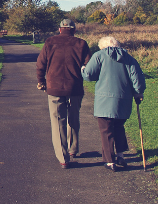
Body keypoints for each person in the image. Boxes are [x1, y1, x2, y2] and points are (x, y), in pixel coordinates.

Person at [81, 36, 146, 172]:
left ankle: (109, 161)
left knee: (106, 130)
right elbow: (137, 78)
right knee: (119, 127)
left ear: (102, 46)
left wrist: (82, 69)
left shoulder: (99, 56)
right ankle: (120, 155)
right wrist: (138, 93)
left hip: (104, 101)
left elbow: (88, 75)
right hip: (124, 100)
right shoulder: (129, 58)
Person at [36, 19, 91, 169]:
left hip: (54, 88)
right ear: (74, 30)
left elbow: (40, 64)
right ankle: (73, 149)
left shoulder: (50, 42)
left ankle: (63, 158)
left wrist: (41, 81)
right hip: (75, 88)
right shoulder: (81, 44)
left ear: (60, 29)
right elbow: (88, 65)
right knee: (73, 119)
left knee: (58, 122)